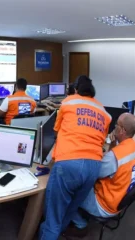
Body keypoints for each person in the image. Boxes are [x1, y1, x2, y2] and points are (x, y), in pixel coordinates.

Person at [39, 75, 112, 240]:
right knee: (70, 210)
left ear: (76, 89)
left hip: (69, 163)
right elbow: (101, 138)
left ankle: (49, 233)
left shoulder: (69, 102)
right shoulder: (104, 112)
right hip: (94, 166)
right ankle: (57, 232)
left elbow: (56, 130)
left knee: (53, 218)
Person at [64, 113, 135, 237]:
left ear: (123, 130)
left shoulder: (114, 157)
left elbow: (93, 173)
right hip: (118, 198)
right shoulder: (134, 146)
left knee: (66, 191)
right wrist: (113, 143)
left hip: (104, 205)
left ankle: (80, 224)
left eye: (117, 125)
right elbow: (113, 162)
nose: (114, 126)